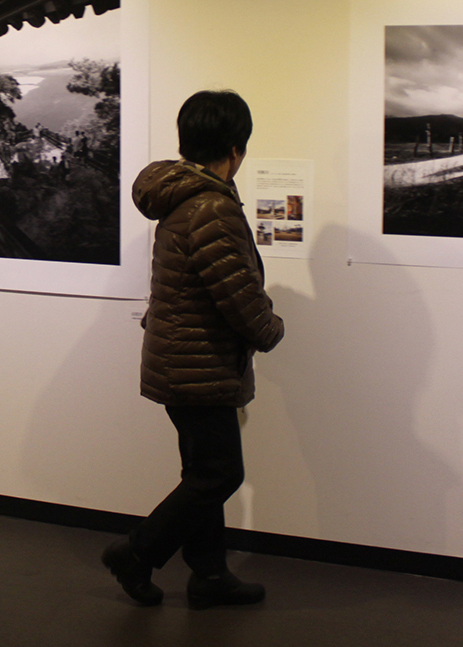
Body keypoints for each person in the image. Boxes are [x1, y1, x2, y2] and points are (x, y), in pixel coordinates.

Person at [103, 90, 285, 608]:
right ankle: (137, 553)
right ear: (234, 148)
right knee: (221, 474)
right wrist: (270, 329)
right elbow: (237, 294)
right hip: (197, 364)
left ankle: (208, 575)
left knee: (203, 473)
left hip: (182, 360)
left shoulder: (187, 199)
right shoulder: (211, 207)